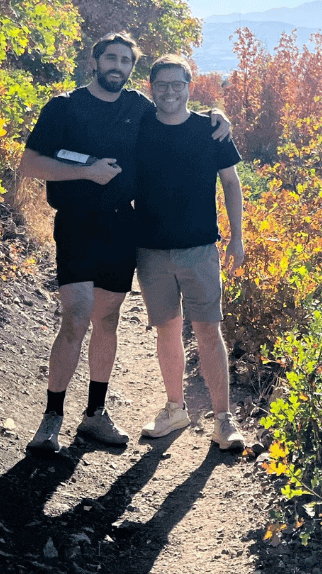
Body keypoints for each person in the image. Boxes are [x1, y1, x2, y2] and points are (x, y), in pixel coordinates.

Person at [19, 33, 229, 454]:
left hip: (121, 226)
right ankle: (52, 417)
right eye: (110, 58)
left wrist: (217, 114)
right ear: (94, 62)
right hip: (76, 223)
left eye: (125, 61)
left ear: (132, 68)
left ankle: (95, 414)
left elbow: (176, 109)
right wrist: (87, 171)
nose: (117, 66)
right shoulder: (64, 106)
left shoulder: (138, 107)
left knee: (108, 319)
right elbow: (30, 164)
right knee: (76, 315)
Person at [136, 54, 248, 451]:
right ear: (151, 87)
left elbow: (231, 183)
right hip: (150, 249)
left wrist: (237, 237)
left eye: (177, 84)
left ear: (189, 87)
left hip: (200, 248)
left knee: (207, 330)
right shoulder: (140, 125)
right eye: (162, 84)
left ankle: (223, 420)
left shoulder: (210, 130)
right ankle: (175, 409)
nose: (170, 91)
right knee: (167, 330)